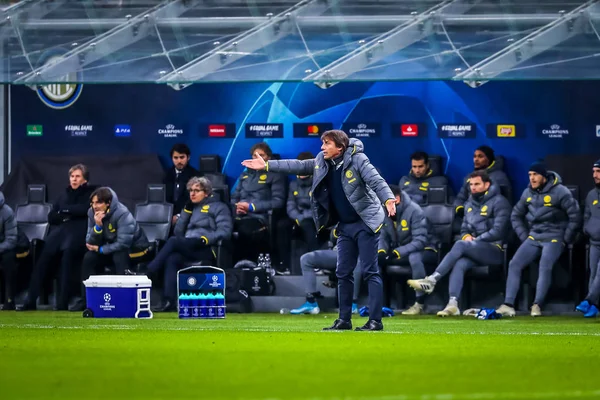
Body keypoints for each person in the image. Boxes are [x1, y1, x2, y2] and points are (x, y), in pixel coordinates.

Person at [242, 130, 395, 331]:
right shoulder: (322, 161)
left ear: (340, 147)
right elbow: (297, 165)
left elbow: (377, 181)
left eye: (327, 144)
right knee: (343, 272)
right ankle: (344, 320)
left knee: (369, 270)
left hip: (366, 222)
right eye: (322, 143)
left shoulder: (358, 160)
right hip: (345, 225)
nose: (322, 148)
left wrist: (389, 199)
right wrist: (268, 165)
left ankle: (375, 321)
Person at [408, 171, 511, 316]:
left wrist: (475, 240)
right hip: (474, 248)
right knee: (460, 262)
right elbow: (464, 229)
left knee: (461, 245)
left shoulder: (500, 202)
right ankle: (453, 304)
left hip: (494, 249)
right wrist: (467, 235)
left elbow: (498, 231)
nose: (473, 187)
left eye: (477, 184)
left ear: (487, 185)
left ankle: (432, 279)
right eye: (471, 185)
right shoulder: (469, 203)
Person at [496, 163, 580, 317]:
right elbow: (515, 215)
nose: (532, 178)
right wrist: (524, 236)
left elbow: (575, 216)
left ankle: (537, 305)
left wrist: (565, 239)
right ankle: (508, 304)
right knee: (514, 264)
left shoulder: (561, 191)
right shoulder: (527, 192)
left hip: (554, 237)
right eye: (529, 175)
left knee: (544, 265)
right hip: (534, 237)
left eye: (535, 175)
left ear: (544, 176)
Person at [18, 164, 96, 311]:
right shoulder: (63, 194)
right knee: (43, 260)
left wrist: (65, 211)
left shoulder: (90, 194)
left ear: (84, 179)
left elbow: (84, 210)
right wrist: (67, 213)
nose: (74, 179)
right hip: (60, 233)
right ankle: (30, 300)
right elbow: (52, 216)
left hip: (78, 233)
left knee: (67, 258)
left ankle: (62, 303)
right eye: (72, 176)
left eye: (77, 176)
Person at [148, 177, 233, 312]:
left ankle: (150, 271)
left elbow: (225, 231)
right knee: (172, 258)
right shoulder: (190, 208)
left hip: (205, 247)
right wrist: (186, 213)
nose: (192, 194)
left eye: (197, 191)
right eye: (191, 191)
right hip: (188, 245)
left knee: (173, 241)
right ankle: (170, 300)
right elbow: (178, 232)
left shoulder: (219, 207)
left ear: (207, 193)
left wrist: (206, 239)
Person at [70, 187, 149, 311]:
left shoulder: (122, 213)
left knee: (119, 255)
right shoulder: (91, 213)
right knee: (89, 258)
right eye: (93, 203)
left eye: (99, 203)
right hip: (110, 248)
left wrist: (101, 249)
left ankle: (122, 301)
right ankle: (87, 301)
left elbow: (124, 243)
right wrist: (98, 226)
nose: (95, 206)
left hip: (135, 250)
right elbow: (89, 242)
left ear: (108, 203)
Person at [379, 185, 438, 315]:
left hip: (426, 248)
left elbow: (420, 241)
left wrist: (397, 252)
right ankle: (381, 304)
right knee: (378, 259)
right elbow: (382, 235)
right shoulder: (383, 211)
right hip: (402, 248)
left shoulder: (414, 210)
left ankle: (420, 303)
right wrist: (382, 251)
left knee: (414, 257)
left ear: (397, 198)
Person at [232, 143, 285, 262]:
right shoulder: (245, 175)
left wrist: (251, 207)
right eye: (255, 156)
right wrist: (236, 207)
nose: (257, 158)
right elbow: (235, 196)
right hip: (239, 215)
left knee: (245, 230)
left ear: (269, 157)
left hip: (259, 217)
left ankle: (249, 265)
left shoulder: (275, 175)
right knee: (223, 229)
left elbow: (278, 202)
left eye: (261, 155)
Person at [290, 227, 361, 315]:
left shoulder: (367, 217)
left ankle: (352, 304)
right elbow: (333, 236)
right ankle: (311, 302)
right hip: (339, 252)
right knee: (306, 259)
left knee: (357, 261)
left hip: (357, 253)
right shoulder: (342, 216)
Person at [276, 151, 320, 273]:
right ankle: (283, 265)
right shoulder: (293, 184)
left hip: (314, 218)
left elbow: (320, 207)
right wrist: (297, 217)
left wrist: (304, 217)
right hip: (297, 217)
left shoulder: (320, 182)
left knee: (308, 225)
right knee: (282, 226)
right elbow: (290, 204)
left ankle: (316, 263)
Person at [454, 146, 511, 212]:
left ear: (489, 159)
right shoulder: (469, 177)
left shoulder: (499, 177)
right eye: (474, 156)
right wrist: (460, 208)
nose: (476, 159)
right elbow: (460, 198)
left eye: (480, 156)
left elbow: (505, 203)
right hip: (469, 216)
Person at [576, 159, 600, 317]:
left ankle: (590, 300)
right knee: (593, 273)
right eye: (593, 172)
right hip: (595, 242)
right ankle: (595, 306)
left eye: (598, 171)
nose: (595, 175)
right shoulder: (592, 194)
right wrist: (588, 229)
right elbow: (586, 216)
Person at [164, 143, 201, 223]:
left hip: (189, 217)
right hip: (168, 217)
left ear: (188, 157)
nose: (179, 161)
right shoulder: (166, 175)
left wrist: (179, 216)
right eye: (176, 158)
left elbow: (196, 201)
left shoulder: (196, 176)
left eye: (182, 157)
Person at [0, 191, 18, 310]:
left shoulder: (6, 211)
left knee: (8, 259)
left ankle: (9, 299)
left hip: (3, 248)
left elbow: (11, 239)